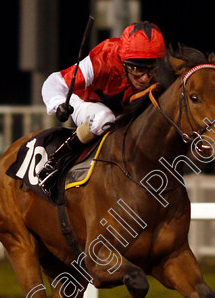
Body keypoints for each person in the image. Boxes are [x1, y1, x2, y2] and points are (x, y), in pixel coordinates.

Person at [37, 21, 166, 195]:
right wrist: (58, 103)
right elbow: (54, 81)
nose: (144, 79)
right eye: (137, 69)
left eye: (151, 70)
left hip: (119, 111)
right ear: (124, 61)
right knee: (105, 118)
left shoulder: (160, 73)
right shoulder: (103, 59)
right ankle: (57, 162)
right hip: (82, 102)